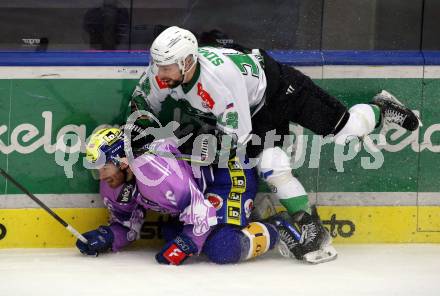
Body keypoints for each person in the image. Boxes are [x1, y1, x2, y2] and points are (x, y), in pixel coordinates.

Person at [127, 26, 420, 263]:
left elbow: (235, 138)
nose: (159, 74)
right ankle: (309, 225)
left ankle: (381, 106)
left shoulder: (218, 82)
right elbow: (141, 102)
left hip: (282, 89)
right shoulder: (163, 72)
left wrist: (188, 151)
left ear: (187, 62)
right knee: (270, 164)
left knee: (347, 130)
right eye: (158, 66)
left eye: (166, 67)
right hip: (254, 108)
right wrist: (137, 136)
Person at [77, 127, 316, 264]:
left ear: (123, 163)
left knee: (222, 249)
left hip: (227, 176)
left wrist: (185, 245)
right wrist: (107, 236)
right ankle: (244, 218)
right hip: (199, 189)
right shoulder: (113, 181)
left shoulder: (159, 177)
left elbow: (200, 211)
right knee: (169, 232)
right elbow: (128, 226)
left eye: (104, 167)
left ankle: (276, 225)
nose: (101, 175)